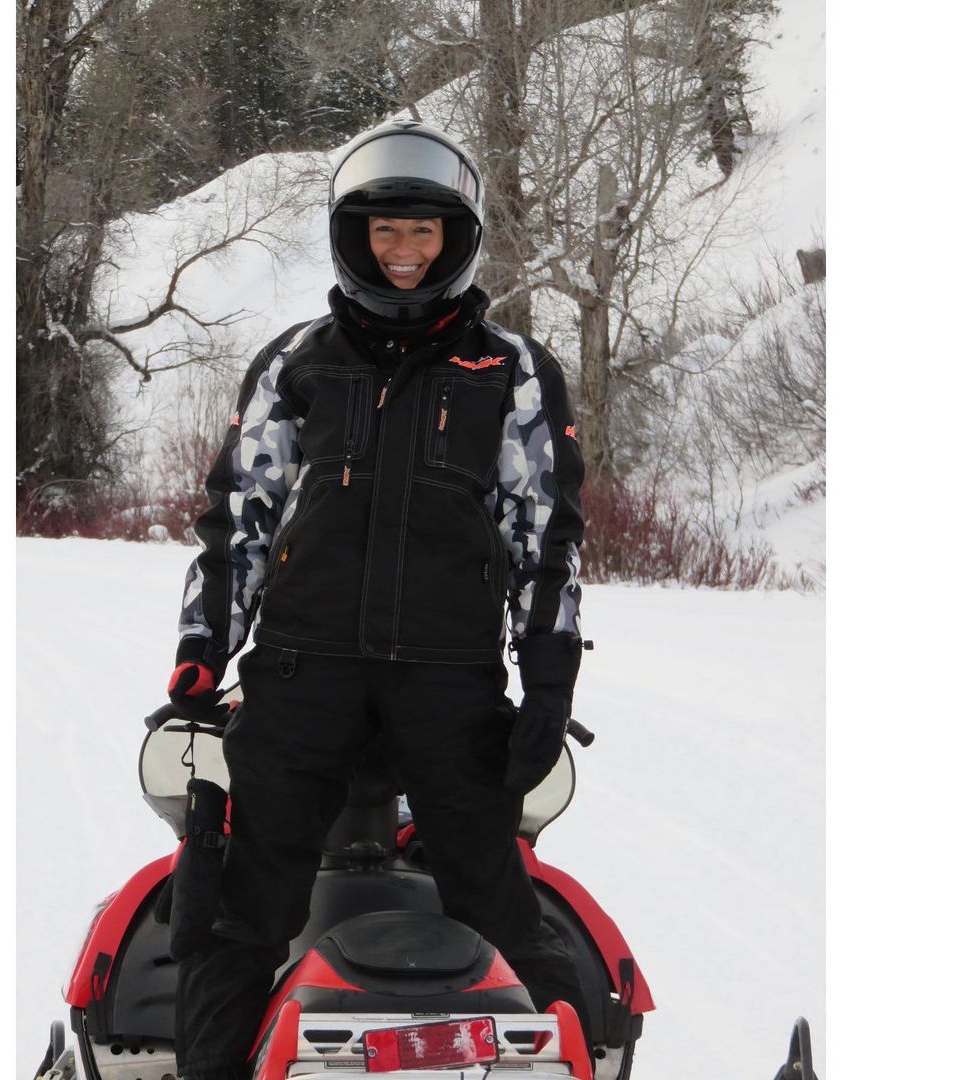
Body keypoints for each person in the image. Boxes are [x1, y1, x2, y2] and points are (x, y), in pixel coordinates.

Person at [165, 118, 591, 1080]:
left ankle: (576, 1058)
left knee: (498, 898)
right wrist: (202, 654)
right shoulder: (297, 360)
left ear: (457, 239)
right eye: (385, 233)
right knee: (242, 910)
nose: (403, 254)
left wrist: (551, 684)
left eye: (424, 233)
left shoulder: (512, 370)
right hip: (301, 675)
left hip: (451, 684)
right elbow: (240, 520)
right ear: (353, 238)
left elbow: (545, 537)